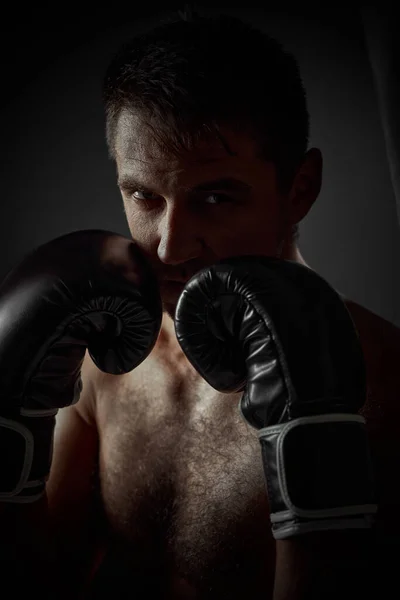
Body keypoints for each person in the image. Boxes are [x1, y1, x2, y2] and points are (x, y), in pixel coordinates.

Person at [1, 9, 399, 600]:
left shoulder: (384, 387)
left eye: (215, 197)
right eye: (144, 195)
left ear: (300, 188)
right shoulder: (100, 365)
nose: (171, 244)